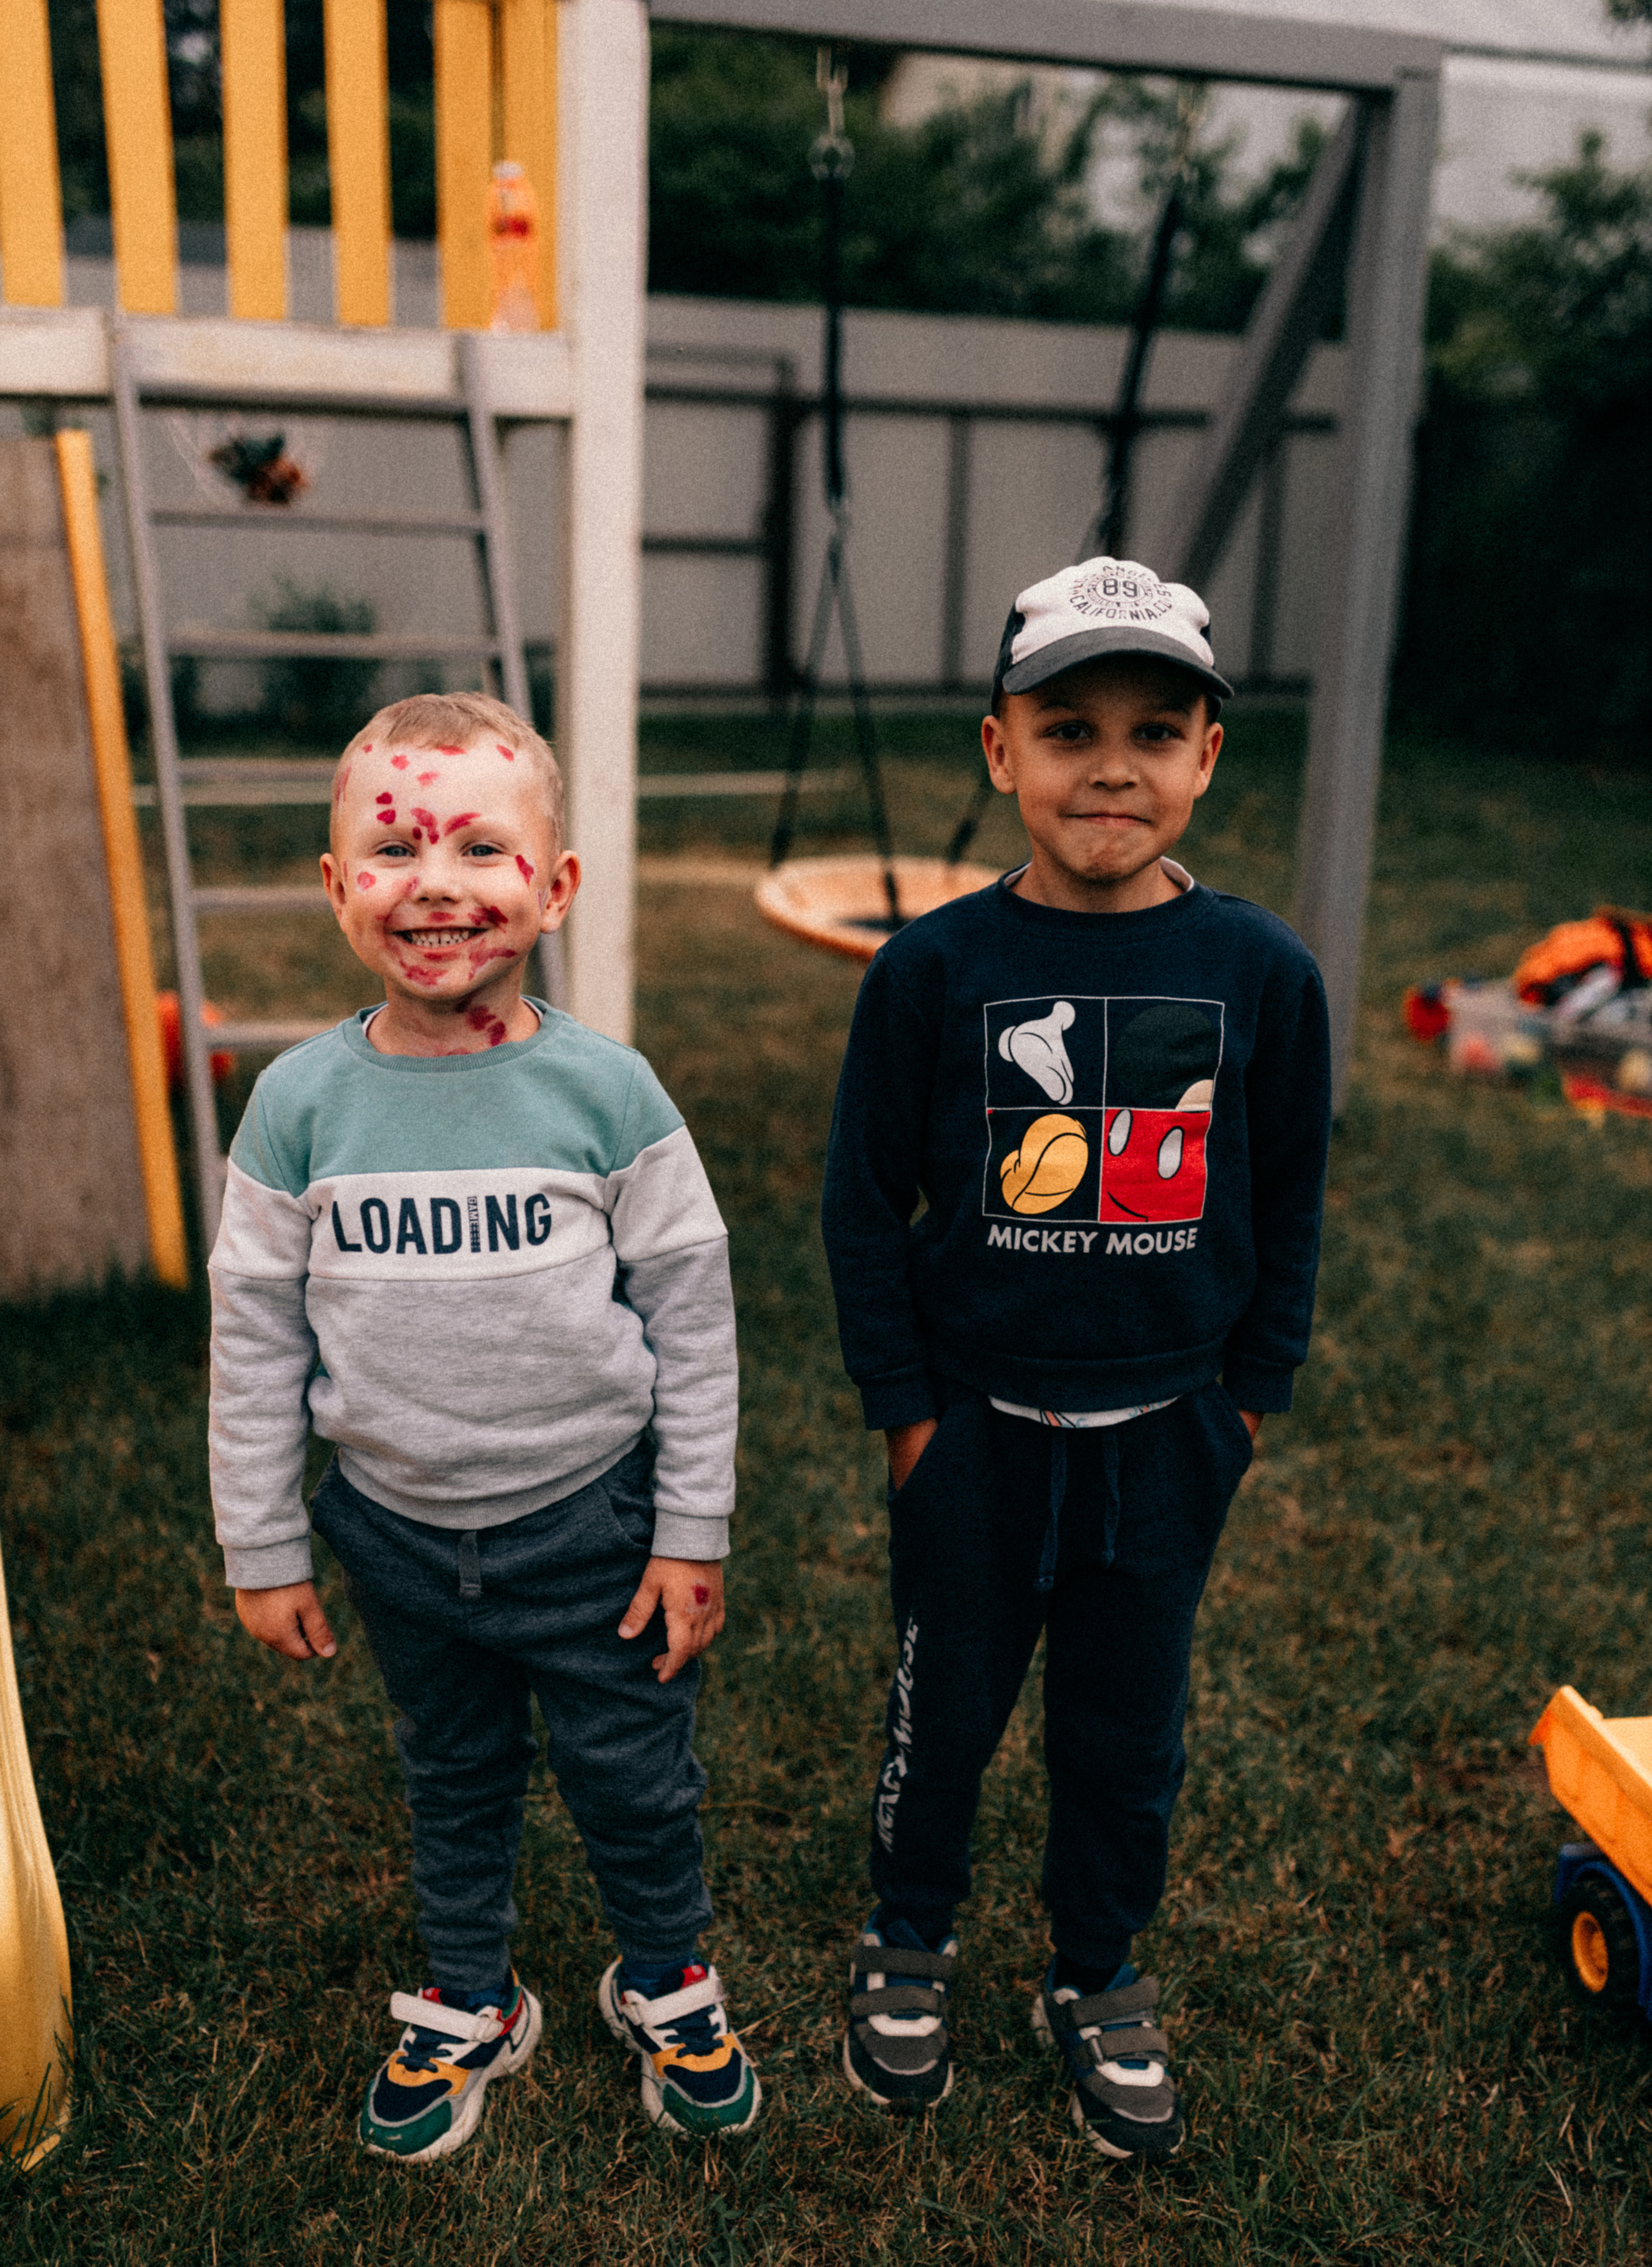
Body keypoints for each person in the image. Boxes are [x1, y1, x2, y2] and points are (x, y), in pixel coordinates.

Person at [821, 558, 1331, 2160]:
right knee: (944, 1708)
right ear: (997, 754)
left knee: (1126, 1734)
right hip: (976, 1429)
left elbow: (1294, 1199)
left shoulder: (1261, 975)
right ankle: (909, 1938)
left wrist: (1244, 1403)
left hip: (1165, 1432)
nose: (1108, 766)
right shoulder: (929, 972)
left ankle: (1095, 1971)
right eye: (1066, 730)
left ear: (1203, 760)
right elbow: (859, 1200)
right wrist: (908, 1417)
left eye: (1151, 731)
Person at [209, 691, 760, 2161]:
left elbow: (694, 1322)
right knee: (450, 1776)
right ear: (336, 888)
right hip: (393, 1535)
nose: (435, 882)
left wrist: (690, 1527)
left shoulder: (606, 1093)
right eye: (391, 847)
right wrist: (265, 1545)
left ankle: (666, 1975)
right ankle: (467, 1998)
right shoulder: (297, 1107)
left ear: (554, 886)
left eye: (480, 847)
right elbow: (255, 1341)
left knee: (634, 1777)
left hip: (597, 1527)